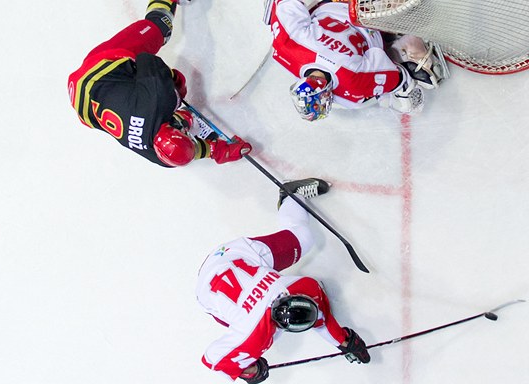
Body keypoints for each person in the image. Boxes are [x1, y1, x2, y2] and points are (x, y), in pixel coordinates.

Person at [196, 178, 370, 383]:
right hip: (214, 289)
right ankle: (290, 198)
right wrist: (342, 341)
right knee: (245, 327)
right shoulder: (254, 333)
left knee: (303, 239)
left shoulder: (305, 287)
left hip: (233, 257)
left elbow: (216, 362)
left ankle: (290, 197)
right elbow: (213, 361)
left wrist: (250, 371)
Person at [67, 0, 251, 167]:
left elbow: (145, 59)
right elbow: (187, 151)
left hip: (100, 68)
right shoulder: (159, 156)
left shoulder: (159, 98)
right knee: (173, 105)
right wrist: (215, 150)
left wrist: (172, 83)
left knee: (160, 25)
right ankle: (176, 116)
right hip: (81, 104)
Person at [264, 0, 444, 120]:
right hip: (333, 3)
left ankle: (409, 44)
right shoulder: (286, 49)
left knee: (409, 89)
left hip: (371, 16)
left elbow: (399, 77)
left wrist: (404, 94)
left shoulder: (352, 81)